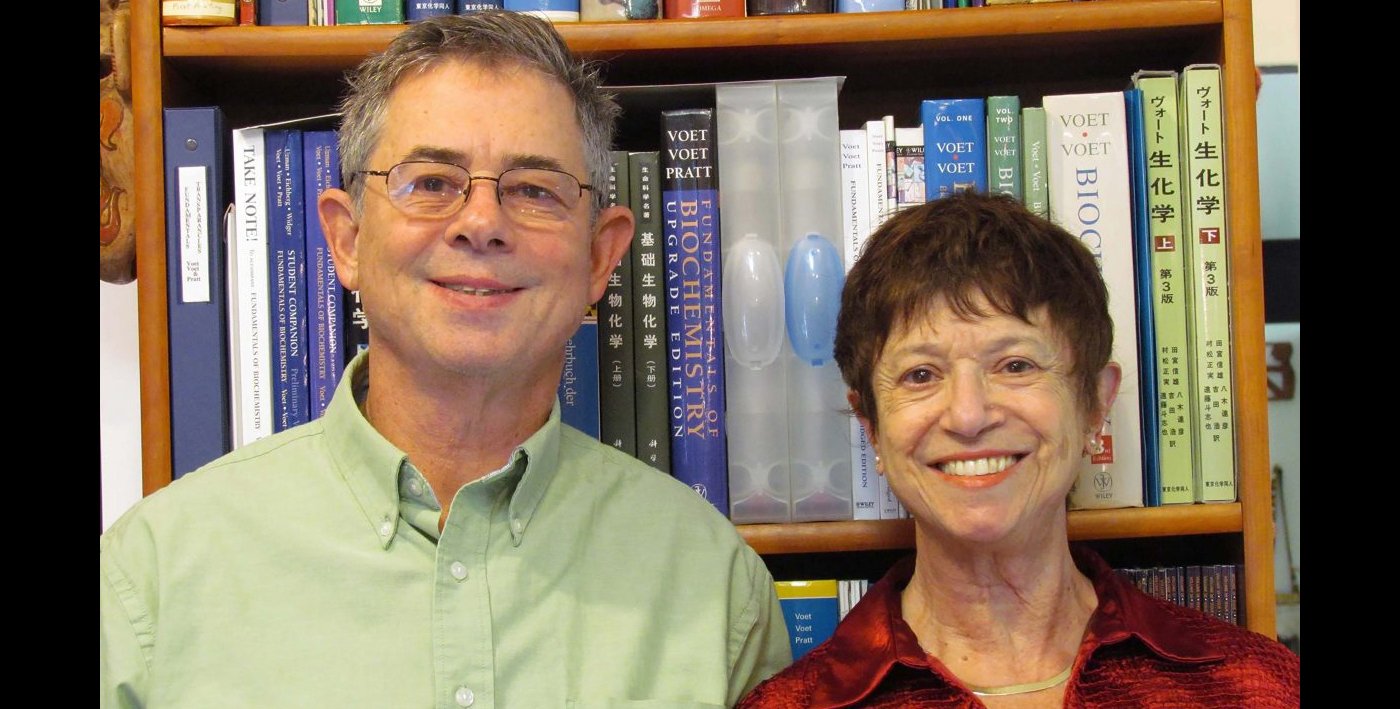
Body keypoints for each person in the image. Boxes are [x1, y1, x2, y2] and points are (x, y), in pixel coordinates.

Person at [100, 12, 790, 707]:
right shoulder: (152, 582)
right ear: (345, 240)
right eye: (430, 182)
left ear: (600, 256)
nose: (482, 222)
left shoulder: (715, 589)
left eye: (533, 189)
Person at [739, 191, 1299, 708]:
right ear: (872, 428)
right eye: (920, 374)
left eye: (1015, 365)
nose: (968, 415)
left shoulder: (1259, 688)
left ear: (1094, 406)